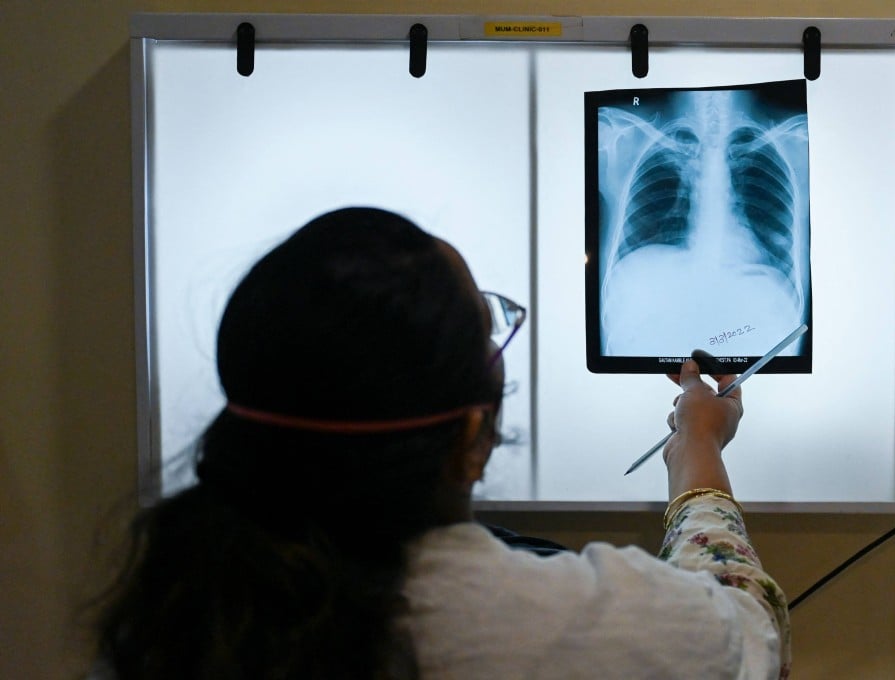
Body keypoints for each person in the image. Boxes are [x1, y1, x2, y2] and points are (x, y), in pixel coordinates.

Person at [92, 207, 791, 679]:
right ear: (468, 439)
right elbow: (748, 633)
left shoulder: (175, 610)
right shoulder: (580, 624)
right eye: (490, 325)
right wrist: (699, 452)